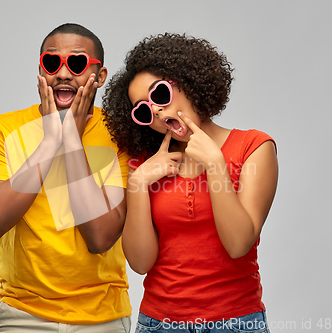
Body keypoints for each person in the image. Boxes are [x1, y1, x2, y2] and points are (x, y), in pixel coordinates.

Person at [102, 33, 278, 333]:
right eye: (144, 110)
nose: (155, 110)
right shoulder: (147, 162)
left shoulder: (254, 147)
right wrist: (139, 183)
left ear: (187, 82)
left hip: (235, 323)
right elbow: (141, 263)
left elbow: (238, 244)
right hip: (158, 324)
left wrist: (214, 163)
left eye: (159, 95)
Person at [0, 23, 131, 332]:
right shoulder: (0, 131)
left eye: (77, 63)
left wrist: (70, 139)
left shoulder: (121, 136)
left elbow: (100, 237)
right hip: (22, 315)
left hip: (103, 318)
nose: (63, 73)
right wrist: (49, 142)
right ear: (41, 72)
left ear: (99, 76)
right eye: (51, 62)